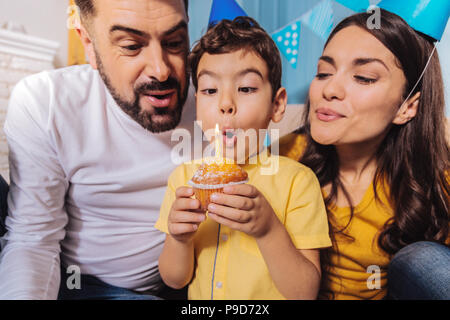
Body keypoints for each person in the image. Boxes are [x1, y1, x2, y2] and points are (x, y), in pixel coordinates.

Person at [0, 0, 193, 300]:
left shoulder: (220, 100)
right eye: (131, 46)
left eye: (174, 42)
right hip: (74, 280)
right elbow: (33, 239)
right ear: (88, 43)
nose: (160, 70)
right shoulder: (47, 101)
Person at [155, 17, 332, 300]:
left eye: (246, 88)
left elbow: (305, 293)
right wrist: (179, 238)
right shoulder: (184, 179)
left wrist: (268, 230)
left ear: (277, 104)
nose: (225, 104)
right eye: (210, 90)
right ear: (197, 104)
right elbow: (175, 280)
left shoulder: (297, 182)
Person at [279, 9, 449, 300]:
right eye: (323, 72)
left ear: (407, 107)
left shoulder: (433, 177)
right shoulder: (281, 159)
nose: (329, 89)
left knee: (423, 259)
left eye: (364, 77)